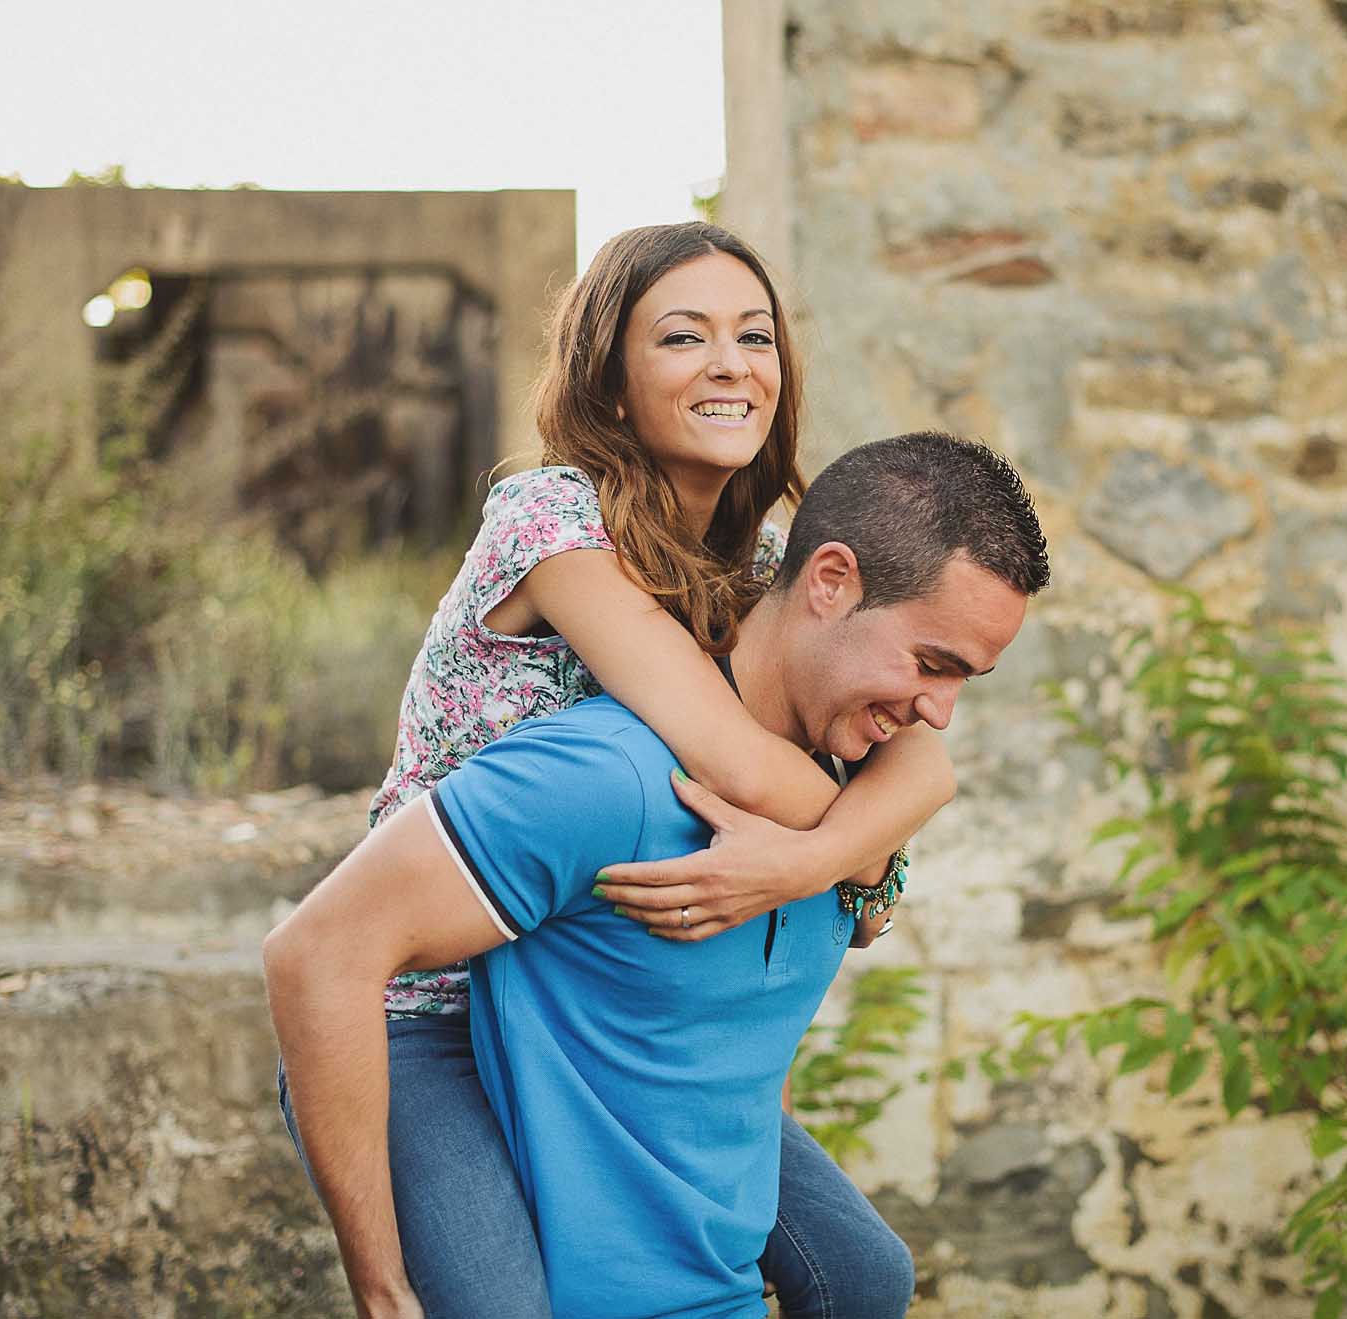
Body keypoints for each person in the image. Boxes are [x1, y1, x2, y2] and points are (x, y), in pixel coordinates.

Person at [276, 223, 954, 1317]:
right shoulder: (548, 522)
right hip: (426, 1007)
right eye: (683, 337)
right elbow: (732, 755)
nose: (732, 364)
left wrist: (833, 858)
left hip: (591, 1006)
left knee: (862, 1273)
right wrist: (858, 854)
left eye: (754, 335)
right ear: (610, 378)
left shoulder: (760, 560)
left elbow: (922, 756)